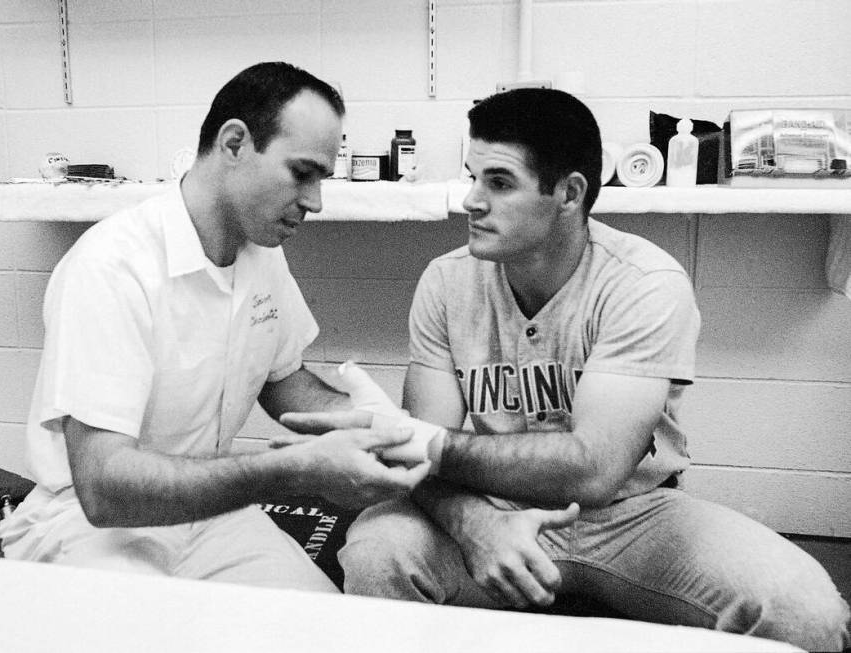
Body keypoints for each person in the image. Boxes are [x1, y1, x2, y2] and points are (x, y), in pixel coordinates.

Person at [282, 88, 850, 650]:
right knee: (379, 554)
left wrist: (427, 444)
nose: (470, 200)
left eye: (499, 182)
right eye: (471, 175)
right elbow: (421, 466)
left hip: (632, 517)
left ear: (569, 193)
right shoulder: (447, 281)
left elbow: (593, 471)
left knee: (804, 612)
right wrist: (472, 522)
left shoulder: (643, 283)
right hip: (488, 501)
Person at [0, 61, 429, 594]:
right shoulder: (114, 266)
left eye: (322, 179)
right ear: (233, 144)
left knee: (325, 630)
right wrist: (294, 470)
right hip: (94, 526)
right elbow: (104, 489)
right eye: (302, 173)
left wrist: (373, 424)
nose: (315, 202)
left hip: (211, 511)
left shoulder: (259, 252)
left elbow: (283, 380)